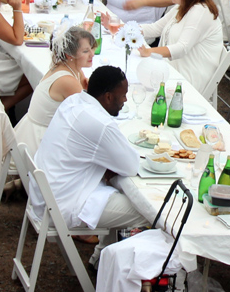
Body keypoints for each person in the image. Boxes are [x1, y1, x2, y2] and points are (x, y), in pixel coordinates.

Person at [30, 66, 148, 239]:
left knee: (120, 190)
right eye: (123, 95)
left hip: (45, 195)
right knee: (147, 211)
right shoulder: (100, 123)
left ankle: (100, 256)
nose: (125, 100)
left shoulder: (73, 101)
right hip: (64, 204)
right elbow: (131, 166)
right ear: (108, 97)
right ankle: (113, 260)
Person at [138, 0, 224, 97]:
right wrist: (126, 29)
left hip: (188, 79)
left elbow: (181, 48)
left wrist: (150, 52)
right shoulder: (183, 5)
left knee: (139, 81)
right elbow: (156, 28)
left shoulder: (200, 12)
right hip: (171, 69)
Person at [15, 26, 94, 154]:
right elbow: (86, 115)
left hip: (34, 130)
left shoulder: (70, 67)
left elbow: (86, 85)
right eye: (85, 51)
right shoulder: (67, 81)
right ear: (70, 55)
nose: (92, 54)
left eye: (91, 48)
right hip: (40, 140)